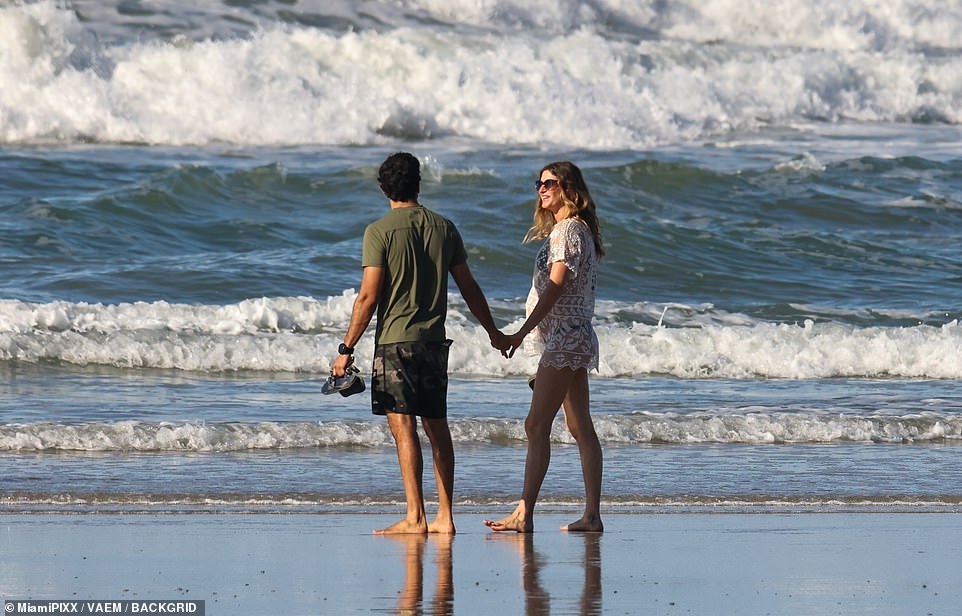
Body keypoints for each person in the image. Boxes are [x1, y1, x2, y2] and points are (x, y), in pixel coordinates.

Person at [331, 152, 507, 535]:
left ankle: (415, 516)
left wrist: (345, 350)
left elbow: (368, 297)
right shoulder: (444, 228)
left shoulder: (379, 231)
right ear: (419, 184)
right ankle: (445, 516)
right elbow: (470, 287)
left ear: (383, 189)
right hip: (433, 343)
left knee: (403, 428)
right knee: (437, 427)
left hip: (395, 342)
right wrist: (494, 331)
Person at [484, 161, 605, 533]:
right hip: (572, 334)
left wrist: (521, 332)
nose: (541, 188)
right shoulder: (574, 229)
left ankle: (525, 514)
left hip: (567, 336)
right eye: (538, 182)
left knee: (536, 424)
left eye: (549, 182)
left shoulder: (568, 230)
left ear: (568, 187)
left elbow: (555, 286)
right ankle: (592, 515)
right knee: (579, 425)